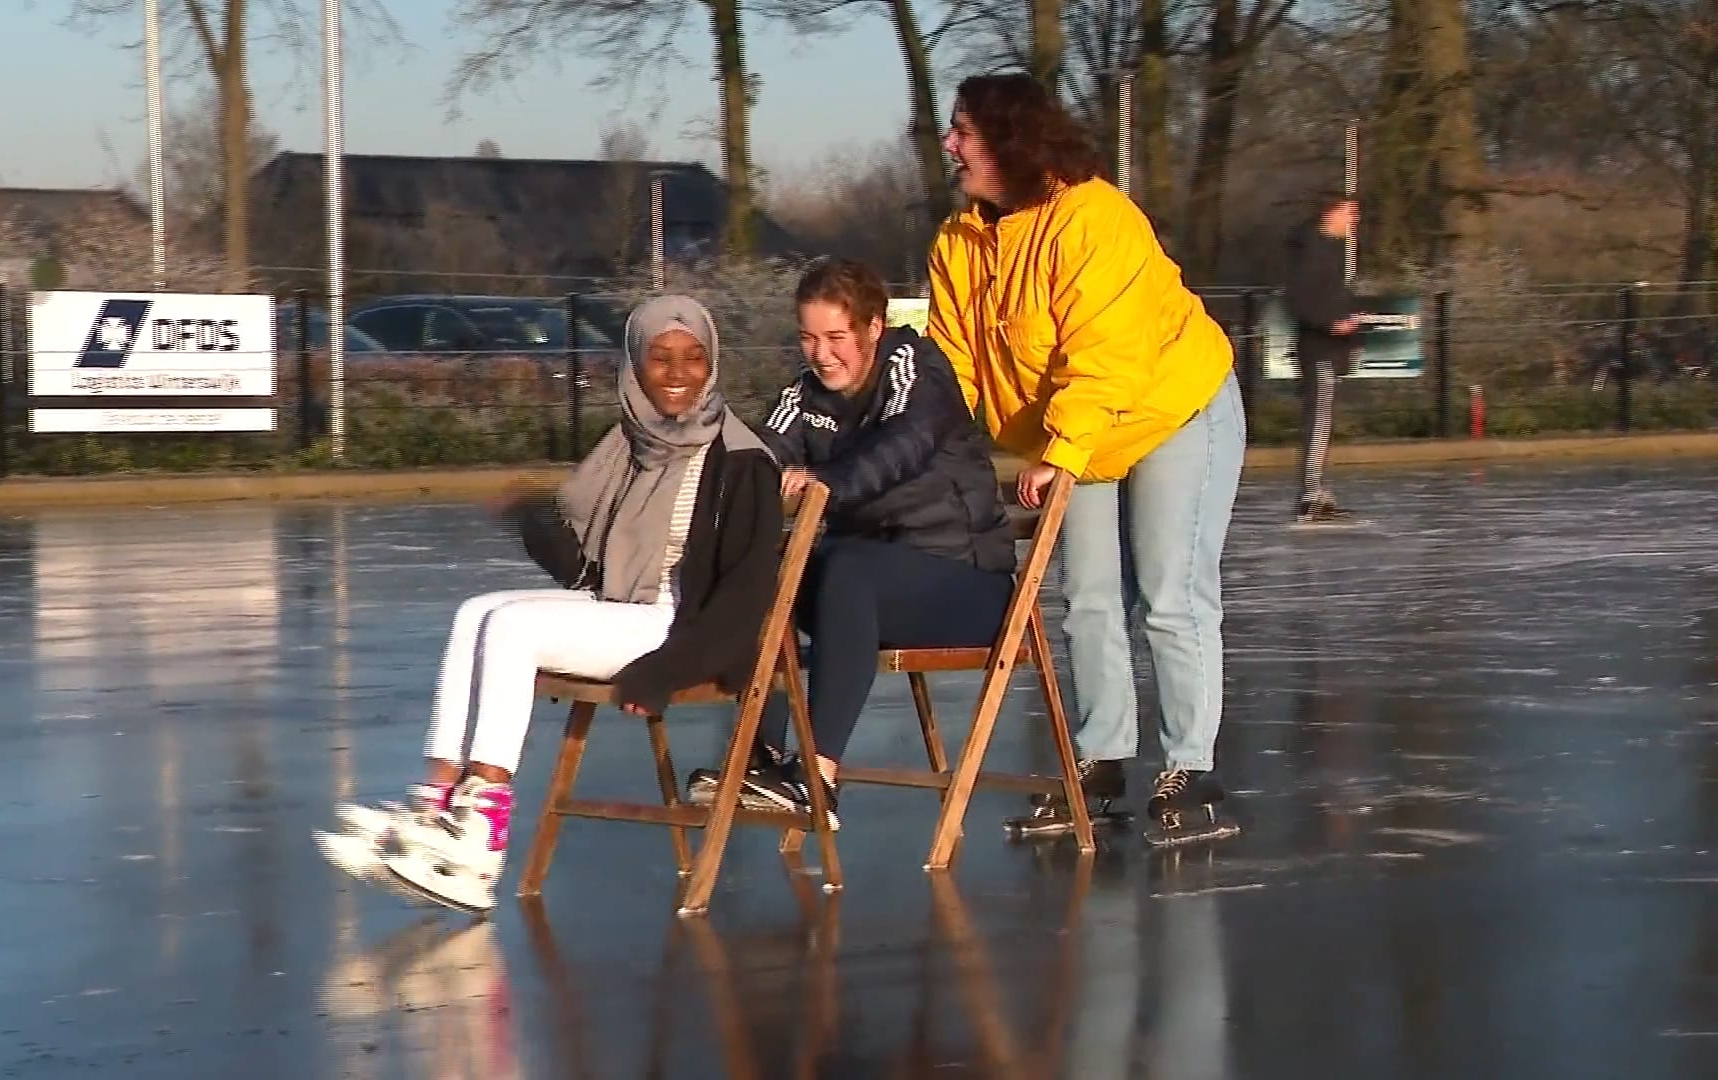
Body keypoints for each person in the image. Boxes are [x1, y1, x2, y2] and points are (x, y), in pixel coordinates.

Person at [315, 295, 783, 912]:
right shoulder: (635, 442)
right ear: (634, 364)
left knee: (513, 627)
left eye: (693, 358)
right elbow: (593, 573)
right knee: (477, 612)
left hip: (682, 629)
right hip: (634, 608)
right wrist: (533, 522)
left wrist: (666, 671)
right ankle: (437, 802)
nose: (677, 373)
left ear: (712, 362)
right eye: (660, 357)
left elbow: (746, 602)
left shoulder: (741, 459)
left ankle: (482, 833)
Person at [925, 72, 1245, 848]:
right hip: (1079, 430)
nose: (949, 143)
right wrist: (923, 444)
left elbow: (1106, 355)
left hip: (1172, 405)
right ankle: (1099, 766)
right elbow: (951, 364)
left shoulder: (1095, 218)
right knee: (1089, 597)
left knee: (1169, 593)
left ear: (1008, 141)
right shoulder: (959, 243)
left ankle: (1191, 770)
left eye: (963, 129)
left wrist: (1061, 451)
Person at [684, 258, 1016, 829]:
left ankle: (816, 777)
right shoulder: (806, 392)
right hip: (863, 589)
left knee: (846, 569)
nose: (821, 354)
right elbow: (762, 450)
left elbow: (903, 442)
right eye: (808, 338)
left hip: (965, 583)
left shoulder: (917, 370)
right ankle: (761, 759)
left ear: (873, 328)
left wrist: (825, 481)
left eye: (836, 337)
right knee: (760, 572)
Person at [1283, 192, 1361, 524]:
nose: (1354, 220)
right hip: (1319, 349)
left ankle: (1315, 491)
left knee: (1322, 421)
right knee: (1318, 421)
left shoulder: (1326, 250)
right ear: (1330, 213)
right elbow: (1299, 299)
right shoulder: (1312, 251)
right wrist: (1331, 323)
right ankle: (1310, 495)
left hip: (1327, 347)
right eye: (1349, 212)